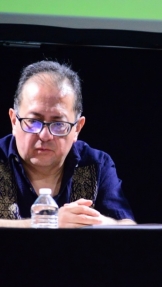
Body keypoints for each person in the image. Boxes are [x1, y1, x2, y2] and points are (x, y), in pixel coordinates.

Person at [0, 60, 136, 228]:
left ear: (77, 128)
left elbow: (127, 226)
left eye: (58, 125)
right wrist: (48, 222)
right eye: (33, 121)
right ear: (14, 121)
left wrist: (91, 221)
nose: (44, 135)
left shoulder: (96, 164)